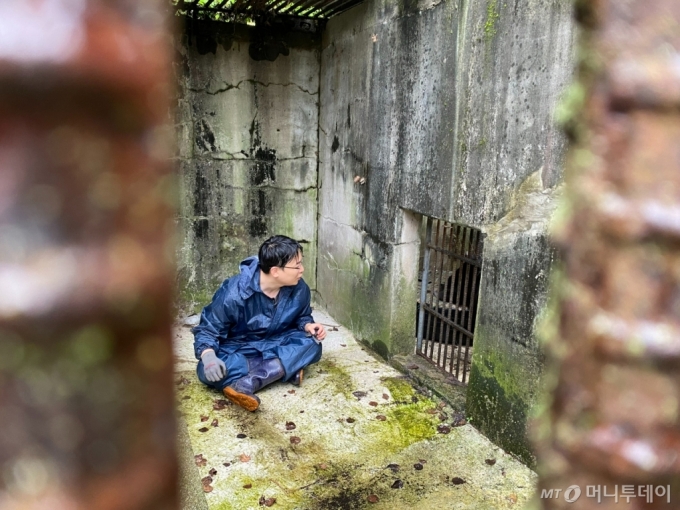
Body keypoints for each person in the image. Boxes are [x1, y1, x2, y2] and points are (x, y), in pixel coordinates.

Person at [192, 235, 326, 411]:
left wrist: (308, 325)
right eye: (297, 265)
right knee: (206, 371)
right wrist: (208, 356)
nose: (302, 269)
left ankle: (249, 382)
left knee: (313, 344)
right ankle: (284, 369)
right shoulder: (233, 292)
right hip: (239, 348)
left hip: (277, 340)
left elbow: (302, 316)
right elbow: (208, 330)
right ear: (276, 271)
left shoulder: (299, 287)